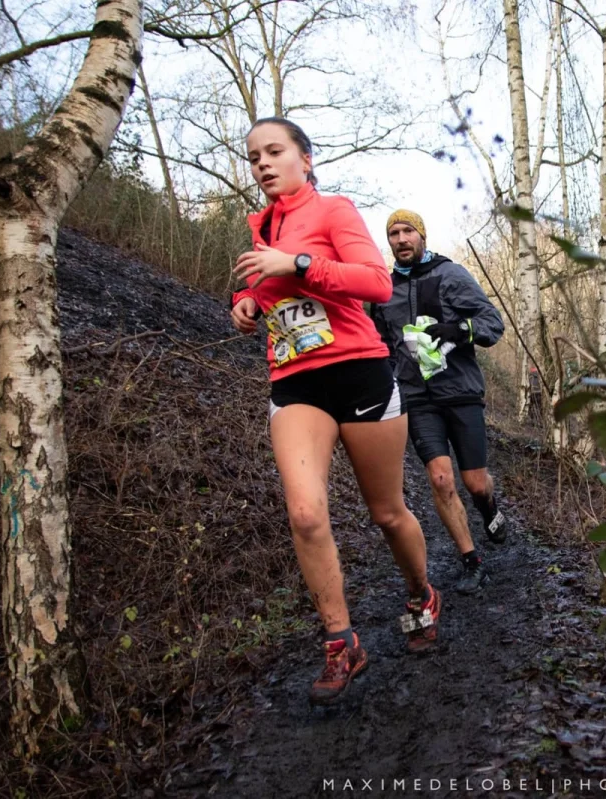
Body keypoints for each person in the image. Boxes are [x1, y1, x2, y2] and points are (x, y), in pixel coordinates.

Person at [229, 118, 441, 706]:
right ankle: (340, 642)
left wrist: (296, 264)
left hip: (359, 373)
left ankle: (421, 594)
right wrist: (246, 304)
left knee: (387, 512)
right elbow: (265, 293)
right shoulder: (260, 227)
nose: (262, 164)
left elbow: (375, 283)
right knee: (305, 513)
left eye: (274, 151)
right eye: (253, 157)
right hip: (295, 381)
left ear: (305, 158)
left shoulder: (333, 211)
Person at [369, 210, 508, 595]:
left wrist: (458, 330)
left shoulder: (451, 275)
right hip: (416, 397)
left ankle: (488, 505)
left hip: (460, 390)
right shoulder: (383, 290)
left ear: (422, 235)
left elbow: (492, 323)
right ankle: (472, 562)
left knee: (474, 483)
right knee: (441, 478)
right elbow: (380, 344)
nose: (401, 239)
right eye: (394, 233)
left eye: (408, 231)